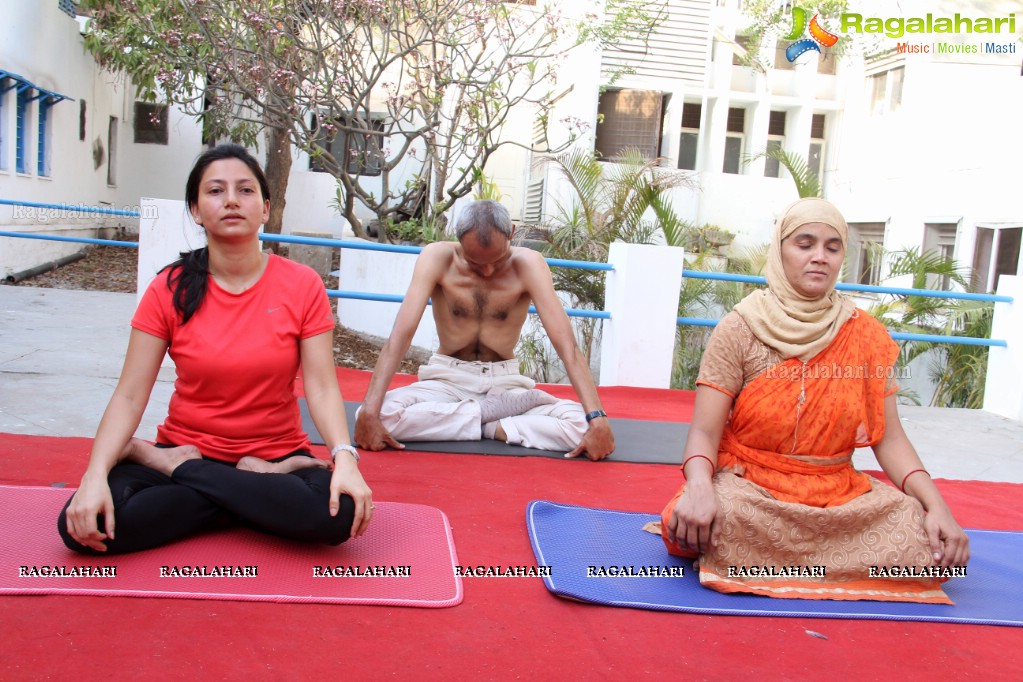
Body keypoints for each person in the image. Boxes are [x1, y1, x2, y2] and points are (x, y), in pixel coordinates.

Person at [58, 144, 372, 554]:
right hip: (190, 449)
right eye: (215, 191)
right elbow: (131, 393)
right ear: (194, 209)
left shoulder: (302, 285)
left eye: (244, 190)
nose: (230, 201)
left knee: (340, 514)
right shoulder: (168, 288)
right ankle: (249, 495)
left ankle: (192, 474)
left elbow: (323, 388)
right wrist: (95, 474)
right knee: (84, 525)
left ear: (265, 208)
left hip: (274, 455)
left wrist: (345, 457)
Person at [660, 198, 970, 603]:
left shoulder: (867, 336)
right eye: (804, 244)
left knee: (919, 535)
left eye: (832, 246)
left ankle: (771, 562)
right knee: (711, 518)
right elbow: (704, 430)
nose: (819, 257)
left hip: (837, 494)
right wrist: (700, 485)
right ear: (781, 249)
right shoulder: (740, 328)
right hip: (754, 489)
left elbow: (890, 440)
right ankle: (827, 562)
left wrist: (937, 507)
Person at [354, 199, 614, 460]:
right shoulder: (437, 257)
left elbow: (566, 346)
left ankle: (484, 425)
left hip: (506, 384)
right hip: (447, 379)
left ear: (511, 232)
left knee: (582, 426)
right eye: (475, 262)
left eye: (497, 260)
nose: (488, 270)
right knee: (377, 414)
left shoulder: (529, 264)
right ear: (458, 240)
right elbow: (402, 334)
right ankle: (491, 421)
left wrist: (598, 418)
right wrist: (369, 412)